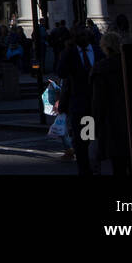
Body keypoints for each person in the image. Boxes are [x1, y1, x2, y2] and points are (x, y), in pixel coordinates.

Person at [56, 27, 98, 174]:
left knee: (96, 140)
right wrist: (67, 51)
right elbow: (61, 72)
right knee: (83, 141)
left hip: (97, 103)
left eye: (84, 35)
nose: (83, 38)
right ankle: (86, 169)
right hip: (81, 105)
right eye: (79, 35)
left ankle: (93, 166)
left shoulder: (97, 51)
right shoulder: (71, 53)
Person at [91, 31, 132, 175]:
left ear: (105, 47)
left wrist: (91, 131)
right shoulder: (130, 64)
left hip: (112, 123)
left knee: (118, 165)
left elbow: (97, 104)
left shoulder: (101, 68)